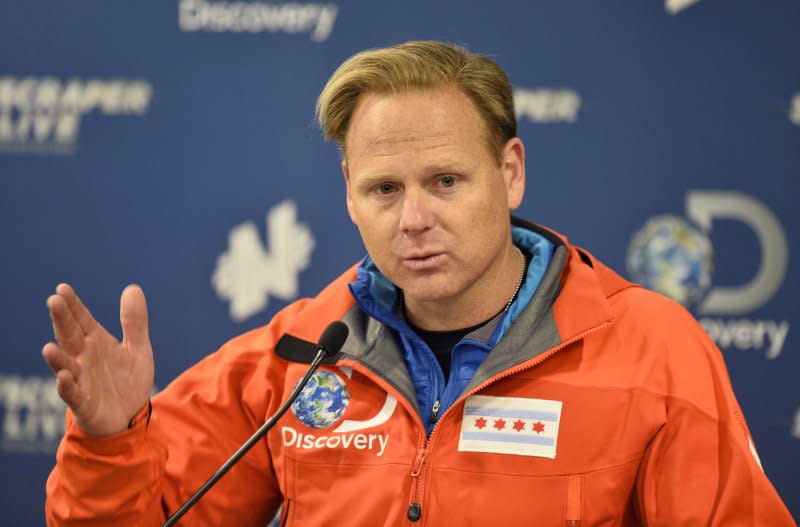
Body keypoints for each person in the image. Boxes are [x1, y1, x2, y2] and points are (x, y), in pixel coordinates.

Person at [43, 41, 795, 526]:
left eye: (445, 181)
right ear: (348, 193)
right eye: (384, 190)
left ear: (511, 173)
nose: (414, 219)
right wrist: (109, 444)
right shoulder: (298, 352)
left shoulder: (655, 352)